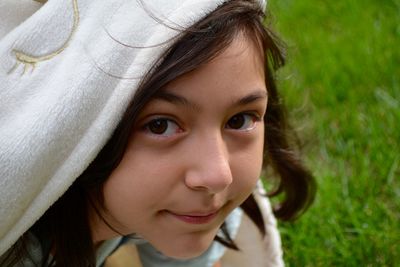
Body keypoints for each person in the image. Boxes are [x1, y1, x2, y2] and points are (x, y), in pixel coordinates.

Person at [0, 0, 316, 266]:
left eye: (239, 120)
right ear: (82, 124)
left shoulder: (189, 210)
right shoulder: (20, 247)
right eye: (159, 125)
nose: (219, 175)